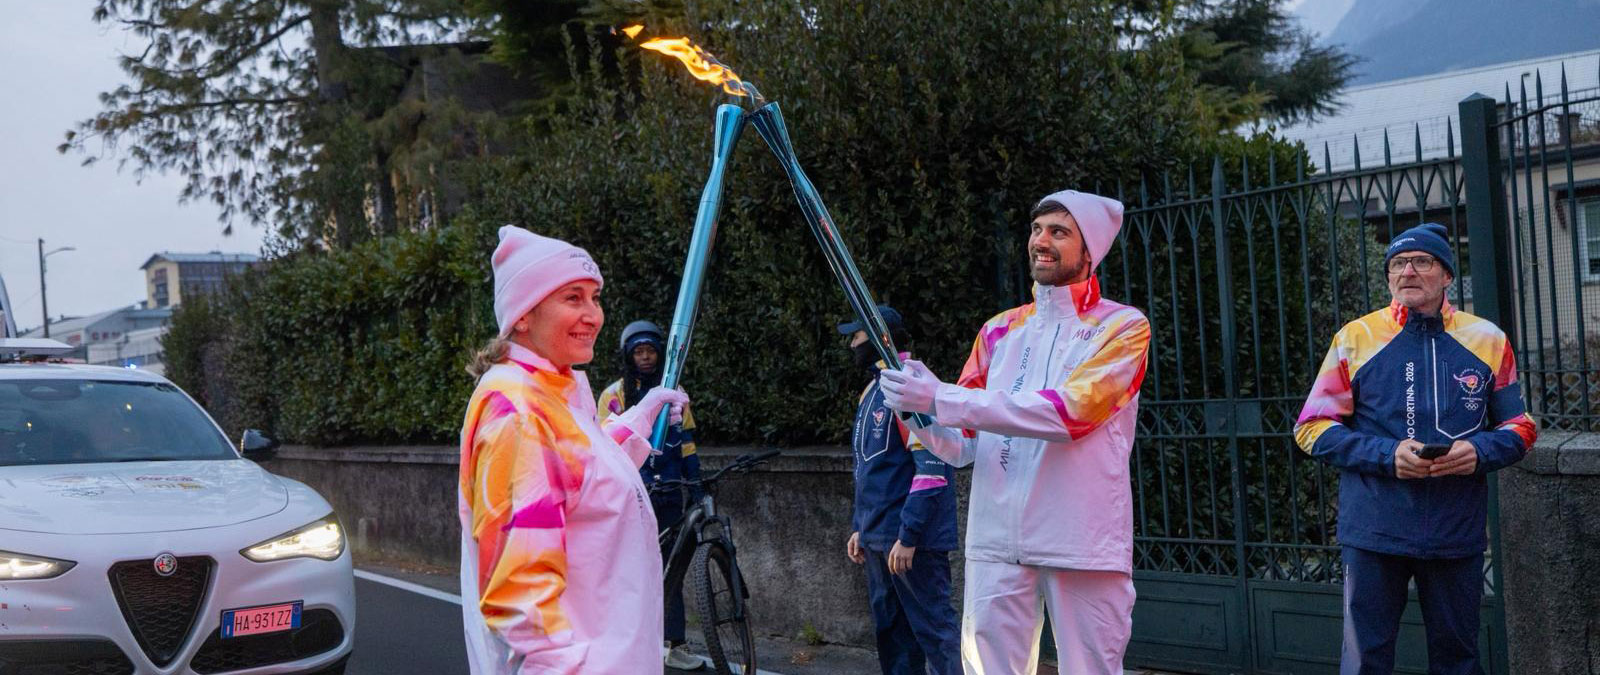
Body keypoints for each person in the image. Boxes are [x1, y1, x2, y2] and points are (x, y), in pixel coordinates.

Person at [879, 190, 1150, 674]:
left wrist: (941, 397)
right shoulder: (998, 331)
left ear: (1090, 250)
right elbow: (962, 444)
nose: (1040, 241)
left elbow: (1069, 414)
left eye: (1059, 232)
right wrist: (916, 409)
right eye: (1036, 229)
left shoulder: (1123, 328)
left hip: (1081, 543)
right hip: (996, 541)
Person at [1293, 223, 1537, 675]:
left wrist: (1478, 452)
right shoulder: (1355, 337)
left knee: (1458, 661)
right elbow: (1311, 428)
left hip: (1453, 530)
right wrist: (1388, 457)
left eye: (1422, 261)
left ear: (1446, 274)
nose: (1407, 271)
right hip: (1373, 530)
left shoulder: (1488, 339)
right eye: (1397, 264)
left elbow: (1520, 427)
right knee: (1363, 661)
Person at [458, 225, 688, 674]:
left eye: (595, 297)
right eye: (572, 298)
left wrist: (640, 420)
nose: (593, 315)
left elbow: (576, 475)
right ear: (523, 315)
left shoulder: (552, 391)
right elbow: (519, 596)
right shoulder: (519, 415)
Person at [839, 305, 960, 675]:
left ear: (880, 337)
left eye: (857, 336)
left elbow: (933, 466)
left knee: (935, 635)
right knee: (893, 639)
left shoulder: (910, 385)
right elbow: (870, 467)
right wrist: (862, 526)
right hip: (879, 540)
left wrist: (909, 535)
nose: (851, 345)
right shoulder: (873, 390)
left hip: (911, 544)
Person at [596, 320, 706, 671]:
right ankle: (628, 641)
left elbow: (687, 443)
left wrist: (696, 485)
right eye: (638, 352)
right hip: (633, 495)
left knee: (672, 568)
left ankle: (675, 643)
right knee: (632, 572)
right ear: (628, 356)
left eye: (650, 351)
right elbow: (603, 447)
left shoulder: (676, 392)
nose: (645, 357)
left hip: (671, 491)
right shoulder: (612, 395)